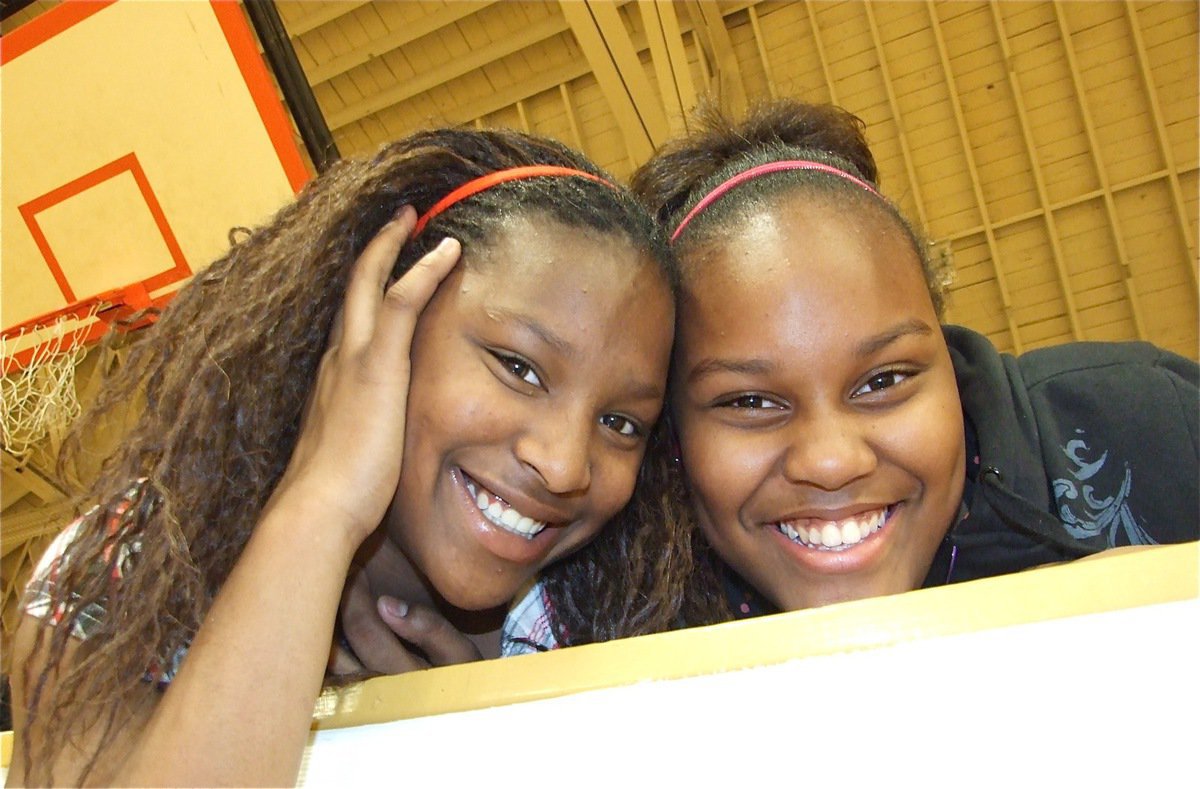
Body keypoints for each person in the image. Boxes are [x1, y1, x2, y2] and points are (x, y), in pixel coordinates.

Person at [8, 128, 682, 786]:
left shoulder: (594, 625)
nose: (566, 464)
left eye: (621, 422)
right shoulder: (132, 559)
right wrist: (322, 504)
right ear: (375, 327)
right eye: (518, 367)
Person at [503, 97, 1199, 649]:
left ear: (947, 357)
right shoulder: (610, 600)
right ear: (672, 437)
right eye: (749, 399)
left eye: (884, 381)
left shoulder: (1147, 421)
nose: (832, 461)